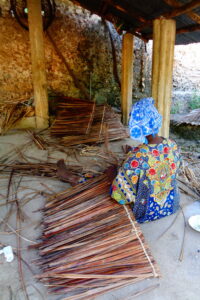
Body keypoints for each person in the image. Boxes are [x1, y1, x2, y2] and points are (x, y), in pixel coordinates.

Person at [111, 98, 182, 223]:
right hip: (172, 206)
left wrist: (116, 172)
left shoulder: (137, 156)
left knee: (115, 177)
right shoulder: (173, 145)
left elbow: (120, 195)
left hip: (146, 214)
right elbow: (175, 170)